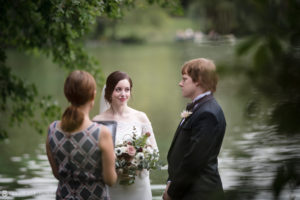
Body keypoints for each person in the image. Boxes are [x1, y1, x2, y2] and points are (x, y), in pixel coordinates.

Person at [46, 70, 117, 200]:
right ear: (93, 95)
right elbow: (110, 180)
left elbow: (57, 174)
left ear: (67, 95)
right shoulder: (101, 133)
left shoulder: (52, 129)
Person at [163, 58, 226, 200]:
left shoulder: (207, 113)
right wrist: (170, 181)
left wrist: (172, 192)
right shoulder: (200, 108)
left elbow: (194, 161)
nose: (180, 83)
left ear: (198, 81)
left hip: (200, 193)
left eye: (184, 79)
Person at [93, 71, 158, 200]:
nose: (123, 94)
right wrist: (115, 166)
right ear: (109, 91)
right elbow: (95, 157)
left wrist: (137, 165)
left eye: (127, 90)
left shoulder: (141, 117)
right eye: (118, 90)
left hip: (138, 184)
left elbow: (154, 152)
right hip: (113, 185)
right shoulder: (98, 121)